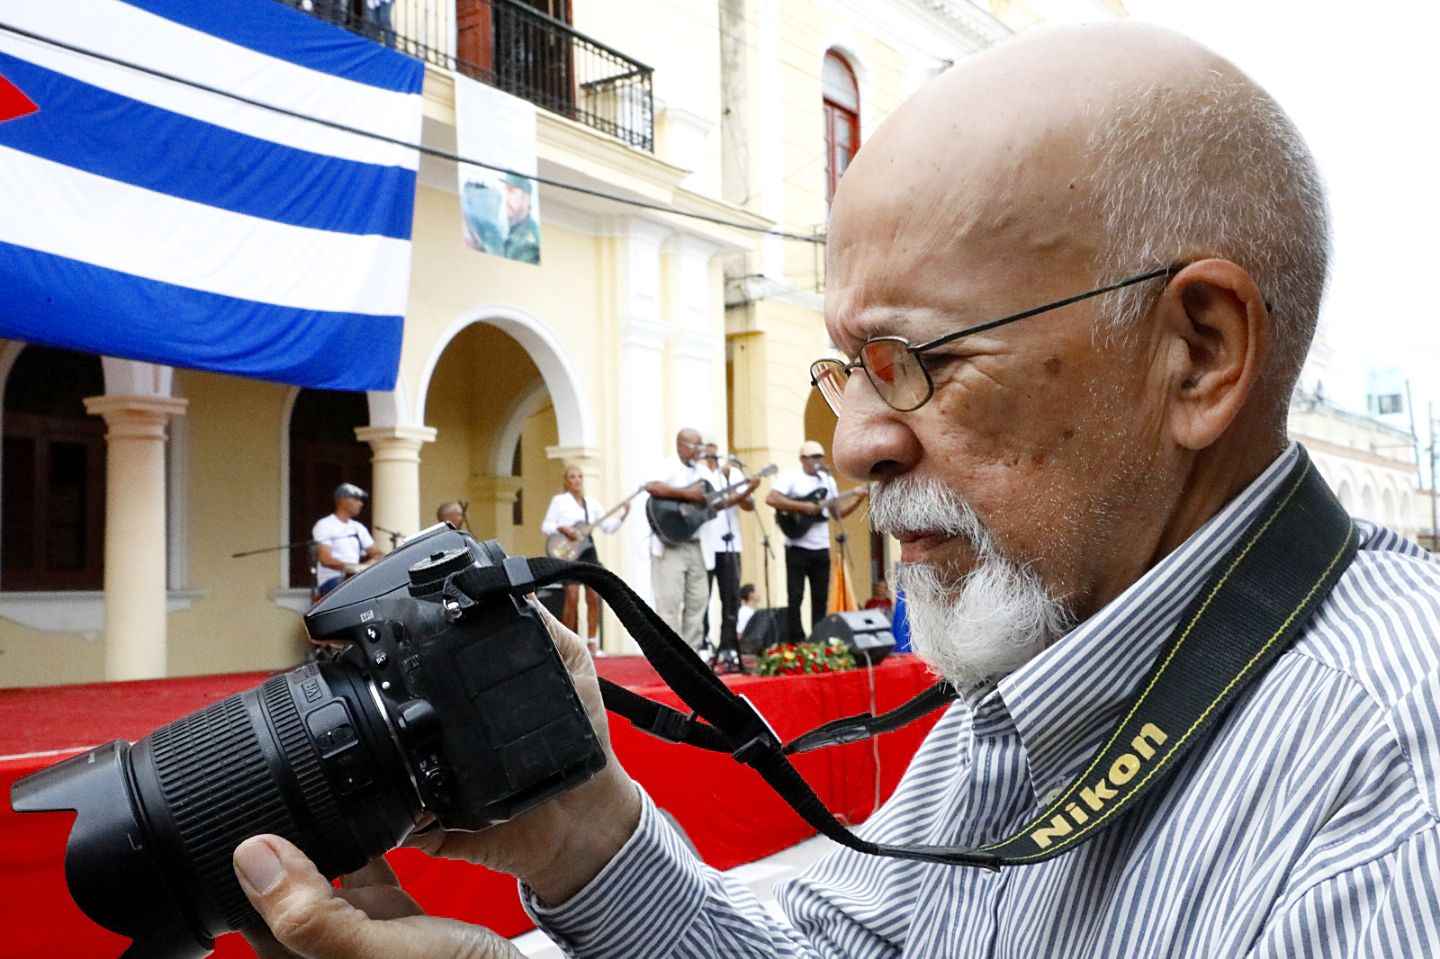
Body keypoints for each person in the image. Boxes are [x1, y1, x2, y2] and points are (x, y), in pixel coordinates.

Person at [238, 23, 1440, 958]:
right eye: (845, 368)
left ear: (1199, 352)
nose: (855, 442)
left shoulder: (1388, 782)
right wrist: (588, 839)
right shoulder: (1017, 696)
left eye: (920, 361)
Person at [642, 428, 758, 650]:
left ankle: (691, 653)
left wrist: (746, 491)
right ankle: (670, 655)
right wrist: (687, 495)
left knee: (698, 600)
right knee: (670, 604)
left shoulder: (703, 474)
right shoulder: (666, 465)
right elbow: (652, 487)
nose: (700, 452)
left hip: (697, 545)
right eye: (696, 447)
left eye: (701, 447)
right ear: (681, 446)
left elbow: (717, 503)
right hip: (670, 545)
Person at [766, 440, 867, 641]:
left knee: (820, 597)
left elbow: (837, 514)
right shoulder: (792, 478)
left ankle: (818, 638)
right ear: (803, 459)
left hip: (821, 548)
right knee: (795, 595)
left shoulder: (827, 481)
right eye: (814, 457)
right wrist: (802, 508)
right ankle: (795, 639)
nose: (818, 461)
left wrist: (858, 499)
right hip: (797, 547)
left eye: (820, 457)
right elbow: (772, 498)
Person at [539, 464, 630, 653]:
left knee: (593, 596)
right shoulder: (559, 501)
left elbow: (608, 527)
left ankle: (592, 641)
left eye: (579, 476)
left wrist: (624, 514)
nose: (576, 480)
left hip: (588, 550)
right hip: (568, 552)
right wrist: (563, 528)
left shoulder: (592, 504)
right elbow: (546, 526)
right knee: (571, 595)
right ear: (566, 480)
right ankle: (569, 640)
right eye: (572, 476)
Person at [697, 441, 755, 663]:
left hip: (730, 545)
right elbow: (712, 504)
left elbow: (749, 505)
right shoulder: (699, 474)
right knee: (703, 597)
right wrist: (746, 490)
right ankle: (703, 644)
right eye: (707, 453)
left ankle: (728, 645)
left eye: (714, 453)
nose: (711, 457)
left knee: (730, 598)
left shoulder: (731, 474)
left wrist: (741, 485)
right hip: (705, 543)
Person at [311, 482, 382, 598]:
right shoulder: (325, 524)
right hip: (333, 580)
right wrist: (355, 568)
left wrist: (371, 562)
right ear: (342, 500)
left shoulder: (358, 527)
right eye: (356, 499)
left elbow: (377, 552)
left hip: (354, 578)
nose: (361, 503)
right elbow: (325, 559)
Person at [500, 173, 540, 265]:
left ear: (527, 198)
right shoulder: (514, 231)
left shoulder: (528, 241)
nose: (506, 198)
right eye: (506, 191)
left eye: (511, 191)